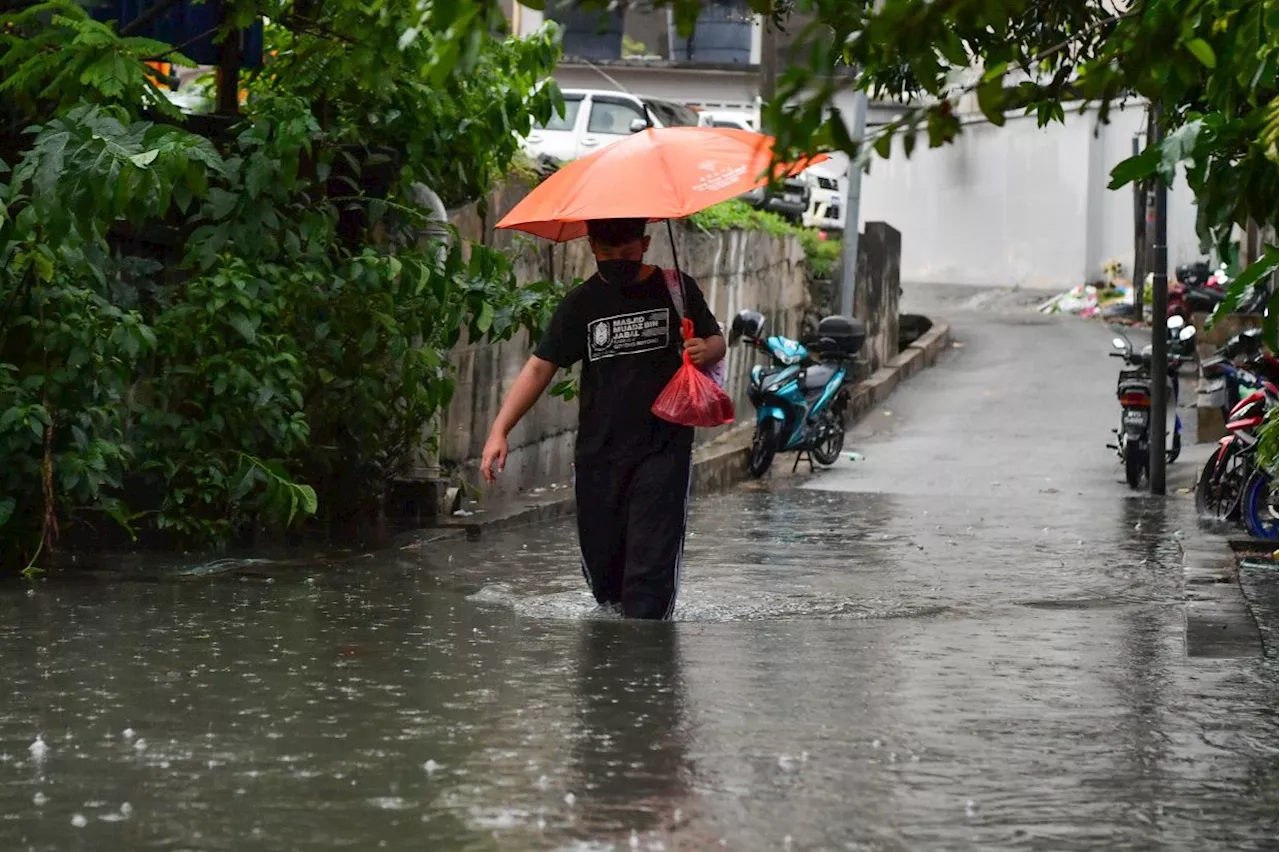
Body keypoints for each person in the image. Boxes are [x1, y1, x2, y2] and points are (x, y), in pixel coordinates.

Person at [481, 218, 726, 621]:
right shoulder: (582, 302)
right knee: (604, 571)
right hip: (600, 452)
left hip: (663, 448)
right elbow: (540, 367)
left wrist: (706, 349)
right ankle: (612, 661)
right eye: (608, 255)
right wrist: (499, 429)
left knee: (649, 571)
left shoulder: (676, 289)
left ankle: (646, 657)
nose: (617, 262)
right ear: (592, 246)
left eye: (627, 254)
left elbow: (715, 339)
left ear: (645, 244)